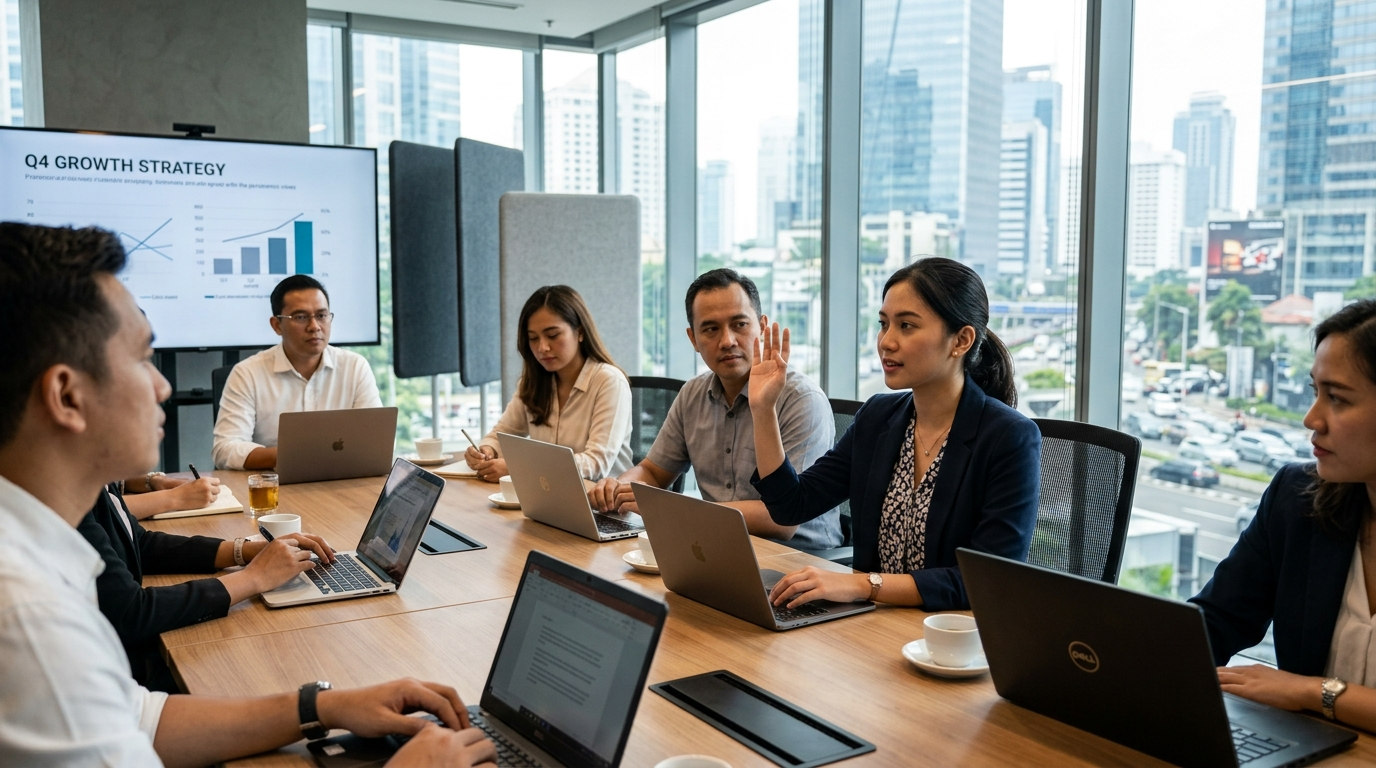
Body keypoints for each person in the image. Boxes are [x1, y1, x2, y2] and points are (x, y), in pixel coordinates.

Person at [0, 222, 494, 766]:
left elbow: (138, 718)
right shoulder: (28, 619)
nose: (163, 386)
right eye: (141, 359)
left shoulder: (40, 551)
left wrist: (323, 706)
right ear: (67, 395)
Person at [748, 258, 1041, 611]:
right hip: (875, 623)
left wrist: (863, 585)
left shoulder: (1009, 437)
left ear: (961, 340)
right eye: (883, 324)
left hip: (950, 631)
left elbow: (987, 578)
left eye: (906, 326)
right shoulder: (878, 417)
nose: (886, 342)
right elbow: (790, 506)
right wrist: (763, 410)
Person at [1189, 298, 1376, 733]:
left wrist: (1313, 692)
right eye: (1315, 392)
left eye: (1336, 398)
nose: (1312, 419)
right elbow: (1215, 621)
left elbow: (1301, 690)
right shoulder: (1296, 499)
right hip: (1317, 752)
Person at [587, 269, 841, 550]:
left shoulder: (801, 398)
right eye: (710, 329)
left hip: (798, 558)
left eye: (740, 324)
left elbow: (780, 520)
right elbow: (653, 472)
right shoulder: (693, 394)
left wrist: (679, 510)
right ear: (693, 339)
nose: (727, 341)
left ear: (762, 326)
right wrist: (619, 488)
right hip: (715, 543)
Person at [78, 483, 337, 691]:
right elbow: (130, 612)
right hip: (115, 682)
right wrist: (254, 577)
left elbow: (140, 544)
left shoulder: (93, 483)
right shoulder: (70, 506)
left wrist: (243, 551)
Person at [212, 274, 382, 470]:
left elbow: (377, 441)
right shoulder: (247, 373)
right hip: (274, 483)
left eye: (321, 316)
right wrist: (292, 455)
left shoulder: (355, 367)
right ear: (277, 325)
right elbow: (225, 449)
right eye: (301, 317)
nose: (314, 327)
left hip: (342, 479)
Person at [465, 286, 633, 483]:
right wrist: (487, 450)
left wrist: (519, 468)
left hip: (601, 497)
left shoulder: (609, 381)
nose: (542, 347)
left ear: (580, 332)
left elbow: (596, 464)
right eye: (533, 338)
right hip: (548, 493)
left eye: (553, 335)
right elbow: (500, 435)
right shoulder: (533, 382)